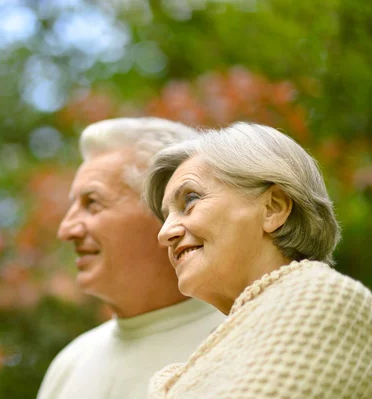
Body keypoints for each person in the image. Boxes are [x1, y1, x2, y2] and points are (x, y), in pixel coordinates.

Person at [144, 122, 372, 399]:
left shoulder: (327, 297)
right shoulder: (228, 345)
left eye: (190, 200)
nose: (164, 233)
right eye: (166, 216)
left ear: (273, 207)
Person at [37, 118, 226, 399]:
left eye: (92, 203)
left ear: (167, 212)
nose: (66, 230)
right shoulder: (70, 363)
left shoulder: (247, 340)